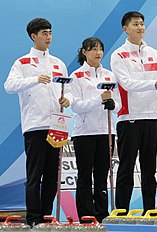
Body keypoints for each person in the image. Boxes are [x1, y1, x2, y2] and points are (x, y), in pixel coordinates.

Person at [4, 18, 72, 227]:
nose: (48, 37)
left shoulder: (58, 63)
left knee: (52, 176)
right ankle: (33, 218)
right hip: (35, 126)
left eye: (50, 32)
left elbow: (67, 87)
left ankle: (46, 217)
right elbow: (9, 85)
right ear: (34, 36)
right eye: (44, 33)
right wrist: (34, 79)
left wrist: (66, 98)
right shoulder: (23, 62)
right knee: (35, 176)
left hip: (56, 125)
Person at [110, 11, 157, 215]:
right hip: (129, 117)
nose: (139, 27)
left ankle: (151, 212)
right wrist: (154, 83)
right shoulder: (118, 55)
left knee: (149, 169)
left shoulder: (153, 53)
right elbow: (127, 83)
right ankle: (121, 213)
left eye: (141, 24)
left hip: (151, 117)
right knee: (126, 169)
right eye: (135, 24)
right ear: (125, 29)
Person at [69, 37, 119, 223]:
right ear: (84, 52)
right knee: (85, 175)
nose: (98, 53)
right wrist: (100, 99)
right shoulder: (76, 76)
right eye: (93, 49)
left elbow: (118, 103)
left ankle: (101, 213)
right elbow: (77, 106)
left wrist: (112, 103)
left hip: (106, 131)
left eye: (100, 49)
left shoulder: (109, 75)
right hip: (84, 133)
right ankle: (86, 215)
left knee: (101, 175)